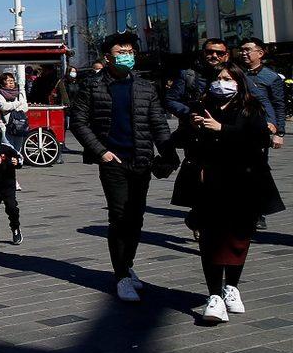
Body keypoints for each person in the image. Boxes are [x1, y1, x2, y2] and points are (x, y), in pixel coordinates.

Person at [170, 62, 284, 323]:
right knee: (210, 238)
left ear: (238, 82)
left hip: (243, 183)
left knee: (238, 236)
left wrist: (223, 130)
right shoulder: (201, 106)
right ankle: (214, 296)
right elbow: (181, 139)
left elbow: (259, 141)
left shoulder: (251, 107)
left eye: (228, 78)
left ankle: (232, 286)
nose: (222, 82)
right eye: (218, 78)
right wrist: (192, 125)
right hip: (208, 181)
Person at [70, 31, 171, 302]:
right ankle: (121, 276)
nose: (127, 57)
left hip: (141, 159)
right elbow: (78, 122)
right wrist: (101, 152)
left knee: (136, 218)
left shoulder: (145, 87)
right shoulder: (92, 86)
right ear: (107, 57)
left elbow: (158, 124)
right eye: (121, 53)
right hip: (113, 161)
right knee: (119, 216)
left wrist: (168, 151)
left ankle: (127, 264)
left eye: (130, 53)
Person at [239, 38, 285, 229]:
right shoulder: (236, 73)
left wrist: (279, 131)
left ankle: (258, 213)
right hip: (238, 128)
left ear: (260, 53)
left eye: (248, 50)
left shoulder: (271, 77)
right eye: (241, 50)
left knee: (256, 170)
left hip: (261, 130)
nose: (244, 53)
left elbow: (279, 104)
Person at [166, 38, 232, 124]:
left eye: (220, 53)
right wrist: (190, 113)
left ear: (226, 56)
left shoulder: (235, 74)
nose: (214, 55)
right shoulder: (188, 75)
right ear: (203, 53)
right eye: (209, 52)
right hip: (195, 129)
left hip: (225, 128)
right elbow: (170, 100)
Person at [0, 72, 29, 154]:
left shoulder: (18, 93)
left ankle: (17, 164)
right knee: (8, 149)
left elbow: (25, 107)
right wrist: (17, 104)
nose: (11, 83)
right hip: (5, 126)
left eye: (12, 80)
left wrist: (13, 106)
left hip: (19, 126)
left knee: (17, 150)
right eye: (8, 81)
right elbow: (3, 106)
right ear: (2, 83)